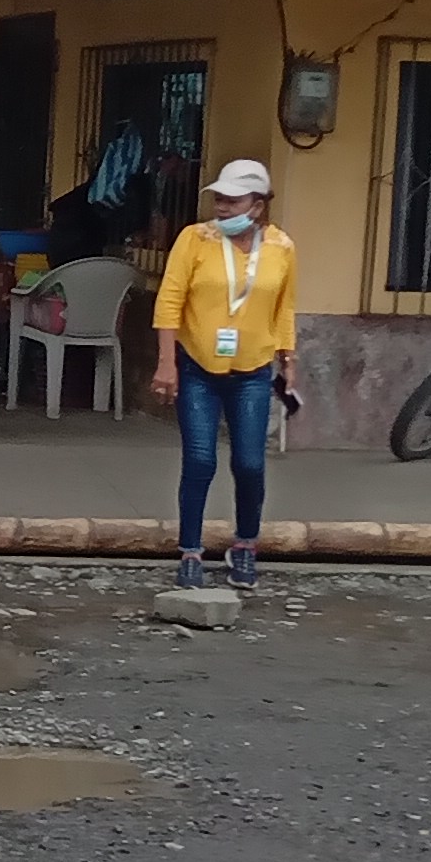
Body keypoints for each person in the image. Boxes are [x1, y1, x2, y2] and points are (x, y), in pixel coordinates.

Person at [150, 159, 301, 590]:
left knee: (250, 463)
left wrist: (289, 360)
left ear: (258, 205)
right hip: (197, 368)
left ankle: (245, 545)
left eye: (232, 200)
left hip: (253, 371)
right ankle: (190, 551)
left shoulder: (282, 247)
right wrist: (166, 363)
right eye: (218, 199)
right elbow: (170, 301)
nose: (222, 207)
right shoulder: (194, 239)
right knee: (199, 460)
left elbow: (285, 307)